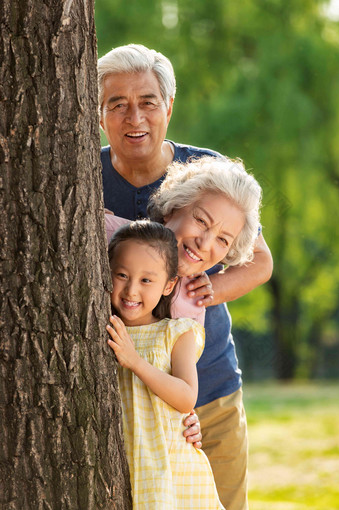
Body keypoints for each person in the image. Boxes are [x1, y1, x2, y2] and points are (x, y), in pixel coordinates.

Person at [98, 44, 273, 510]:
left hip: (207, 387)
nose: (135, 117)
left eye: (149, 102)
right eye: (117, 104)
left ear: (169, 107)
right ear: (99, 114)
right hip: (117, 396)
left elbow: (259, 261)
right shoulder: (79, 176)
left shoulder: (208, 174)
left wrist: (206, 289)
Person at [106, 220, 225, 509]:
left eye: (146, 280)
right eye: (121, 275)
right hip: (125, 467)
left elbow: (186, 397)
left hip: (171, 469)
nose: (131, 290)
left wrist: (134, 362)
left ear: (169, 284)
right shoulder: (107, 329)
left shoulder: (175, 332)